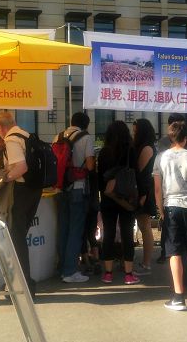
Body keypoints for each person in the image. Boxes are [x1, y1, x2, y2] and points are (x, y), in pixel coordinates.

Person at [153, 121, 187, 311]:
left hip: (171, 207)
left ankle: (178, 297)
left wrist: (161, 210)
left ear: (171, 137)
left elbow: (158, 189)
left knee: (174, 252)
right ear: (185, 139)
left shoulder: (160, 157)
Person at [0, 110, 42, 298]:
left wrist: (5, 179)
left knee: (16, 239)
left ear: (1, 127)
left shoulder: (12, 139)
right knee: (19, 237)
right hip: (33, 191)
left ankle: (23, 285)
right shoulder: (26, 134)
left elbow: (21, 167)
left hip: (20, 192)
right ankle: (23, 283)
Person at [156, 113, 187, 264]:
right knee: (182, 243)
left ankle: (181, 284)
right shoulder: (164, 143)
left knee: (182, 246)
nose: (181, 128)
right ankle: (165, 253)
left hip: (173, 201)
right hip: (183, 200)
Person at [97, 120, 140, 285]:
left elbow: (100, 178)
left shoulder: (103, 153)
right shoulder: (130, 151)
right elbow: (135, 174)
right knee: (127, 234)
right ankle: (129, 274)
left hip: (108, 198)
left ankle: (108, 273)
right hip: (126, 199)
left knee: (108, 234)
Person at [56, 112, 95, 283]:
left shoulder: (57, 136)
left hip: (60, 189)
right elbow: (90, 165)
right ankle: (70, 271)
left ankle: (61, 267)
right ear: (86, 125)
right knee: (75, 230)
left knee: (63, 228)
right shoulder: (86, 138)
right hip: (78, 188)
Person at [132, 118, 157, 276]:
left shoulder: (146, 148)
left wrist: (141, 195)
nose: (133, 133)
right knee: (143, 226)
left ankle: (146, 263)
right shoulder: (144, 147)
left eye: (135, 131)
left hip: (144, 192)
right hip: (143, 191)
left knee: (145, 227)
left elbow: (140, 172)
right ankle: (144, 262)